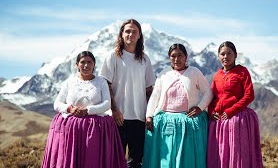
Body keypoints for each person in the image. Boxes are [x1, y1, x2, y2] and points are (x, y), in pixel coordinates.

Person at [41, 51, 127, 168]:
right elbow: (57, 103)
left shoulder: (101, 82)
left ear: (94, 64)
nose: (86, 65)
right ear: (77, 65)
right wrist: (70, 108)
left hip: (95, 129)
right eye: (82, 62)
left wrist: (88, 110)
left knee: (92, 159)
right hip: (71, 128)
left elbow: (107, 103)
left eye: (89, 62)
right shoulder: (69, 82)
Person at [142, 43, 213, 168]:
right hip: (166, 122)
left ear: (186, 57)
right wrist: (149, 116)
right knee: (167, 155)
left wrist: (200, 107)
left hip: (188, 123)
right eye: (173, 56)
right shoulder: (164, 74)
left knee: (186, 157)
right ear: (169, 58)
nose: (176, 59)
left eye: (180, 55)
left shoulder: (194, 72)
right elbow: (155, 96)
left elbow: (208, 92)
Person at [99, 19, 156, 168]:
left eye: (134, 31)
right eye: (127, 31)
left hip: (139, 117)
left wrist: (150, 114)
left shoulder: (144, 59)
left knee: (135, 161)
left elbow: (150, 90)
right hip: (118, 118)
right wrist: (115, 110)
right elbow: (105, 85)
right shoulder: (113, 57)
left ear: (139, 36)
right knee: (114, 160)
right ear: (121, 34)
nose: (131, 34)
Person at [207, 41, 263, 168]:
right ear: (218, 56)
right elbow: (212, 97)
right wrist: (211, 112)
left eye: (229, 53)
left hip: (237, 118)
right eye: (222, 54)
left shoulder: (242, 72)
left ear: (235, 55)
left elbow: (249, 95)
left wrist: (230, 111)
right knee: (220, 154)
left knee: (237, 154)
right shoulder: (217, 75)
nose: (225, 56)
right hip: (219, 121)